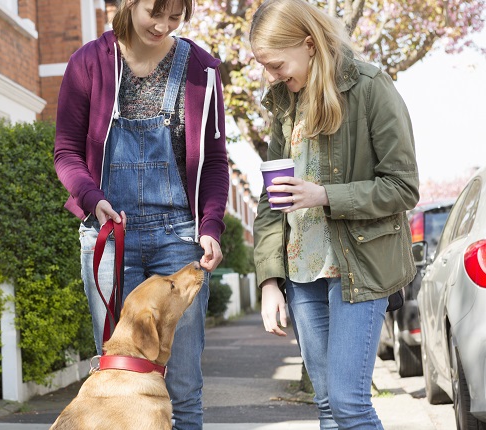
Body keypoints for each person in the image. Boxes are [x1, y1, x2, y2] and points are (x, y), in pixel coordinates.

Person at [53, 0, 228, 427]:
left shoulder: (201, 70)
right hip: (111, 238)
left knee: (183, 389)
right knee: (117, 387)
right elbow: (66, 153)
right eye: (155, 12)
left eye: (175, 16)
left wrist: (210, 226)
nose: (164, 25)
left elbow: (216, 162)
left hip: (179, 239)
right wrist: (92, 197)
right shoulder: (88, 63)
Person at [250, 0, 419, 428]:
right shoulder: (285, 105)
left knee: (348, 404)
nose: (271, 76)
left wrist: (324, 195)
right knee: (326, 404)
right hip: (302, 274)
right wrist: (270, 281)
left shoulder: (370, 87)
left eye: (275, 64)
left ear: (309, 44)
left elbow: (402, 186)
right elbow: (271, 200)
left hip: (359, 268)